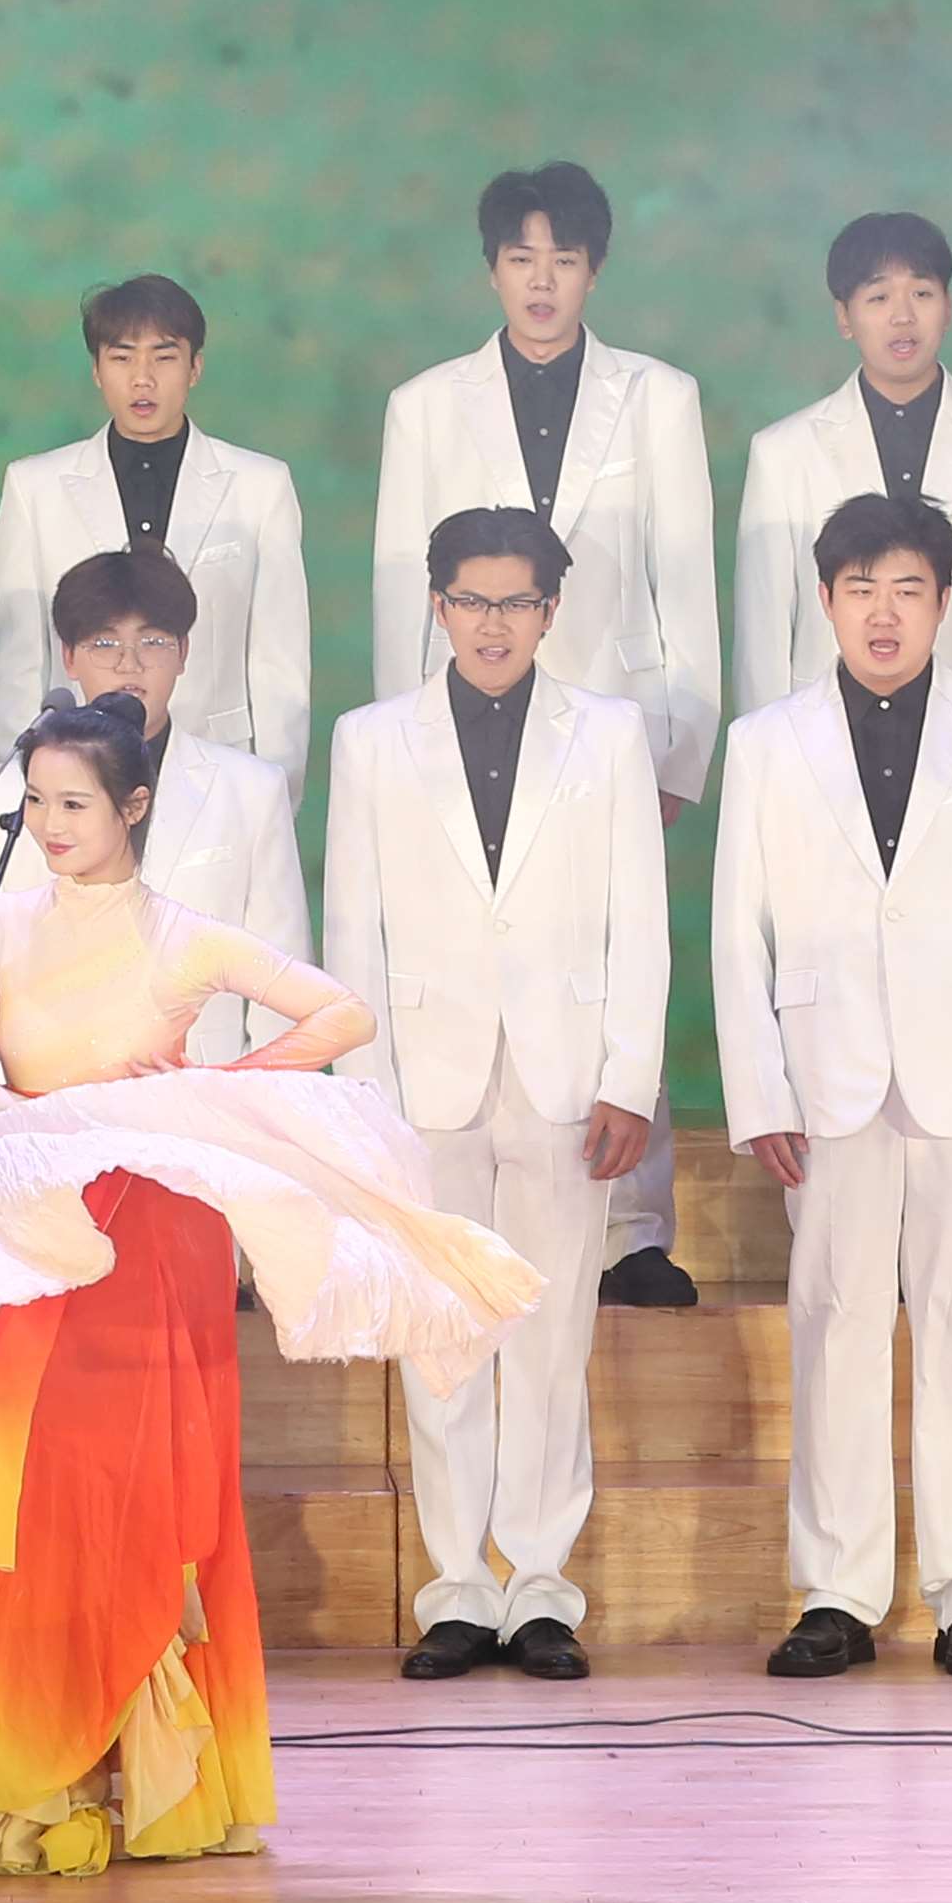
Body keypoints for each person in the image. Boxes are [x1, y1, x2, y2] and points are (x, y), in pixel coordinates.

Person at [0, 697, 533, 1871]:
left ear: (134, 806)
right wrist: (88, 1122)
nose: (50, 824)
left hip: (160, 1233)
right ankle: (26, 1763)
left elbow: (342, 1013)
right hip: (50, 1223)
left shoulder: (186, 936)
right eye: (36, 802)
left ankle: (145, 1775)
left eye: (75, 804)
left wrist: (210, 1093)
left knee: (151, 1490)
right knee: (24, 1488)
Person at [717, 495, 952, 1681]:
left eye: (909, 589)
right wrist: (760, 1093)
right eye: (862, 589)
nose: (885, 613)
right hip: (825, 1074)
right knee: (834, 1326)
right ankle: (838, 1593)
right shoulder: (766, 742)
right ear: (826, 600)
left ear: (944, 601)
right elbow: (737, 928)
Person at [328, 512, 669, 1679]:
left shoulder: (607, 735)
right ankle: (458, 1592)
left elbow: (639, 918)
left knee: (552, 1336)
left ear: (550, 612)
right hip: (423, 1079)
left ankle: (540, 1591)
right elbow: (353, 931)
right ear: (437, 607)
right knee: (443, 1336)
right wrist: (363, 1101)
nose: (493, 624)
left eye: (517, 602)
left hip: (565, 1076)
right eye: (471, 601)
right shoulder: (373, 742)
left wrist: (629, 1078)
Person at [366, 160, 720, 803]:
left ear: (594, 271)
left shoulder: (662, 398)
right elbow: (399, 598)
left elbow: (685, 587)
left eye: (564, 260)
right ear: (492, 269)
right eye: (521, 259)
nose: (542, 281)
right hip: (463, 709)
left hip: (620, 712)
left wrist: (678, 764)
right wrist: (402, 743)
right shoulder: (422, 406)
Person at [0, 550, 311, 1058]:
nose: (128, 663)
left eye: (152, 641)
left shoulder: (250, 790)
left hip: (202, 1087)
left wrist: (251, 1100)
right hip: (43, 1087)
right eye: (104, 642)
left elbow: (280, 984)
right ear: (68, 657)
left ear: (184, 652)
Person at [733, 213, 952, 713]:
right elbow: (761, 637)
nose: (903, 316)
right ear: (844, 317)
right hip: (826, 729)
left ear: (948, 308)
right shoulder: (782, 453)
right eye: (878, 298)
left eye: (922, 293)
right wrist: (766, 751)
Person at [0, 273, 309, 776]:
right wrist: (21, 785)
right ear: (96, 370)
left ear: (195, 367)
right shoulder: (34, 488)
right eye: (121, 357)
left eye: (163, 357)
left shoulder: (261, 487)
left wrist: (275, 793)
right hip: (76, 770)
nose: (143, 378)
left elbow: (279, 663)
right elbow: (19, 665)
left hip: (220, 765)